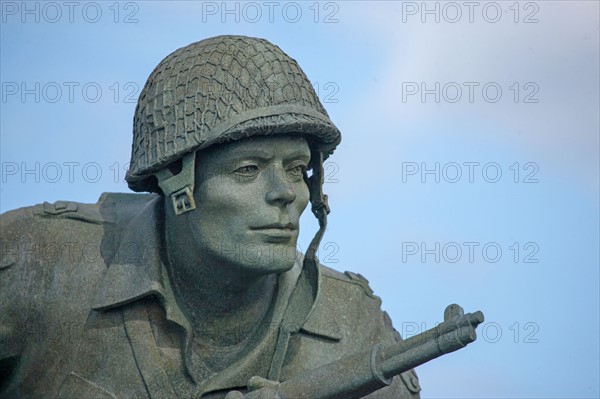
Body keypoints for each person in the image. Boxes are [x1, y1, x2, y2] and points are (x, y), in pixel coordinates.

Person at [0, 35, 421, 398]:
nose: (285, 193)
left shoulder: (354, 326)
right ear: (175, 182)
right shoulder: (34, 266)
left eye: (296, 169)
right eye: (248, 170)